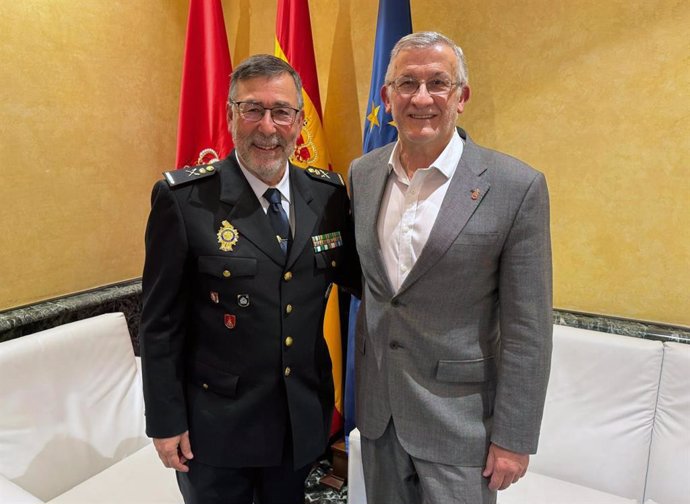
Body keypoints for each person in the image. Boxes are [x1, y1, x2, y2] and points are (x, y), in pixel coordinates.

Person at [139, 54, 359, 504]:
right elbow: (159, 324)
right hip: (216, 428)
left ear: (298, 121)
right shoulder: (185, 200)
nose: (267, 127)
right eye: (252, 109)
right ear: (229, 115)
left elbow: (363, 279)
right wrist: (165, 422)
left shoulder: (328, 194)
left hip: (299, 421)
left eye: (281, 111)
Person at [349, 32, 553, 504]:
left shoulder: (515, 186)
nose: (421, 98)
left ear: (462, 97)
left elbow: (529, 329)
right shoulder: (362, 174)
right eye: (407, 83)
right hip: (380, 420)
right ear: (387, 97)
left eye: (438, 83)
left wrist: (514, 438)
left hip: (463, 429)